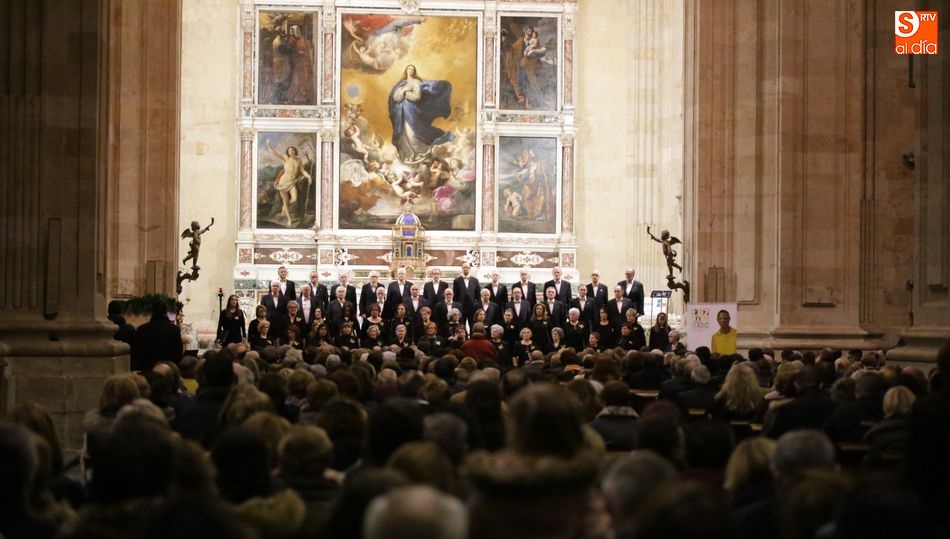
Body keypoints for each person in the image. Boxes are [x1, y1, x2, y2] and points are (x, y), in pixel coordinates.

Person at [388, 64, 455, 163]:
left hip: (412, 111)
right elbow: (395, 97)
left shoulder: (417, 82)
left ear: (414, 71)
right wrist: (403, 91)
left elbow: (417, 97)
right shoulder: (401, 83)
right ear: (406, 70)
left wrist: (405, 93)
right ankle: (409, 154)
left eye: (412, 69)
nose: (410, 70)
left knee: (412, 132)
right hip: (401, 112)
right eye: (409, 69)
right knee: (403, 132)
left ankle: (420, 151)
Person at [266, 139, 312, 227]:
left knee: (294, 199)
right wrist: (269, 145)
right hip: (283, 183)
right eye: (289, 150)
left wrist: (308, 176)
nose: (291, 151)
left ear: (295, 151)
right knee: (285, 200)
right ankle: (289, 220)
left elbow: (302, 171)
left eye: (292, 150)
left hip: (291, 183)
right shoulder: (286, 158)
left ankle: (284, 207)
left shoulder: (299, 160)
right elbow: (274, 153)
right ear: (288, 152)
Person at [132, 300, 182, 372]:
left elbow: (137, 353)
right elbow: (178, 354)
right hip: (168, 371)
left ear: (152, 312)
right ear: (166, 312)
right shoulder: (174, 329)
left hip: (147, 371)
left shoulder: (141, 329)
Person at [453, 262, 480, 330]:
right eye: (464, 267)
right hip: (461, 308)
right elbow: (455, 295)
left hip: (472, 308)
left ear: (469, 269)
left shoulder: (475, 280)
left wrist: (477, 306)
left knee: (472, 326)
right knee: (461, 326)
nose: (465, 269)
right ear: (462, 269)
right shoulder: (457, 281)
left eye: (467, 267)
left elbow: (478, 295)